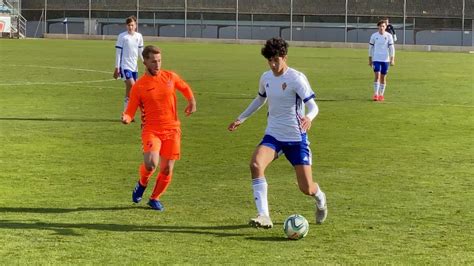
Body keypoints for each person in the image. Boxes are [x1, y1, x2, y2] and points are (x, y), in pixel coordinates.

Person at [228, 37, 327, 228]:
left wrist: (309, 118)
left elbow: (313, 106)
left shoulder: (296, 79)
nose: (273, 65)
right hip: (273, 135)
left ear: (284, 57)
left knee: (306, 188)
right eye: (270, 61)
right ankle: (264, 215)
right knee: (256, 164)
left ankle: (320, 197)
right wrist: (241, 118)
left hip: (296, 138)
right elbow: (259, 99)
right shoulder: (266, 78)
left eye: (276, 60)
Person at [121, 45, 197, 211]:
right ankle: (142, 183)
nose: (157, 64)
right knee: (150, 164)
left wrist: (192, 102)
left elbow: (184, 87)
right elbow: (130, 110)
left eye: (160, 61)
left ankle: (154, 198)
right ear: (145, 62)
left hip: (172, 129)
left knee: (167, 168)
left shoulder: (170, 77)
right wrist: (126, 118)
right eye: (154, 61)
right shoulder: (139, 86)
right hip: (151, 130)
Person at [114, 16, 144, 111]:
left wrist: (145, 62)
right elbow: (118, 53)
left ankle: (126, 112)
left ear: (135, 25)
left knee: (129, 90)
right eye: (128, 25)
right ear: (126, 26)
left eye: (132, 25)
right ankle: (140, 108)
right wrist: (117, 67)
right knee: (134, 85)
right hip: (125, 66)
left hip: (134, 67)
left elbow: (140, 51)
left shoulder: (139, 36)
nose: (130, 27)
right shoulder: (122, 36)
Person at [369, 20, 395, 102]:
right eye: (380, 26)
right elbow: (370, 48)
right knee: (377, 76)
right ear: (378, 27)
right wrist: (370, 59)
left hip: (385, 60)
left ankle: (381, 95)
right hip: (376, 59)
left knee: (383, 78)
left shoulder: (389, 36)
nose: (381, 28)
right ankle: (376, 94)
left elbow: (392, 48)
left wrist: (392, 59)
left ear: (386, 27)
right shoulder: (374, 36)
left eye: (383, 26)